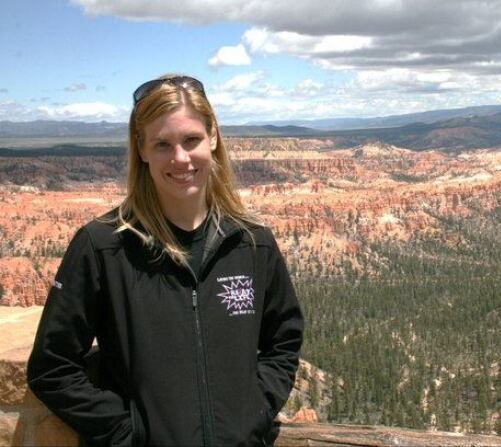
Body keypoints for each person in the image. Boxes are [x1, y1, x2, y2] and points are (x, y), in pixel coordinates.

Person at [27, 75, 303, 446]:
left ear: (214, 138)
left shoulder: (253, 243)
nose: (180, 158)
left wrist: (255, 411)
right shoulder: (103, 246)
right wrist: (129, 434)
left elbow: (284, 341)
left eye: (191, 140)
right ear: (140, 149)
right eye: (162, 144)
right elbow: (52, 367)